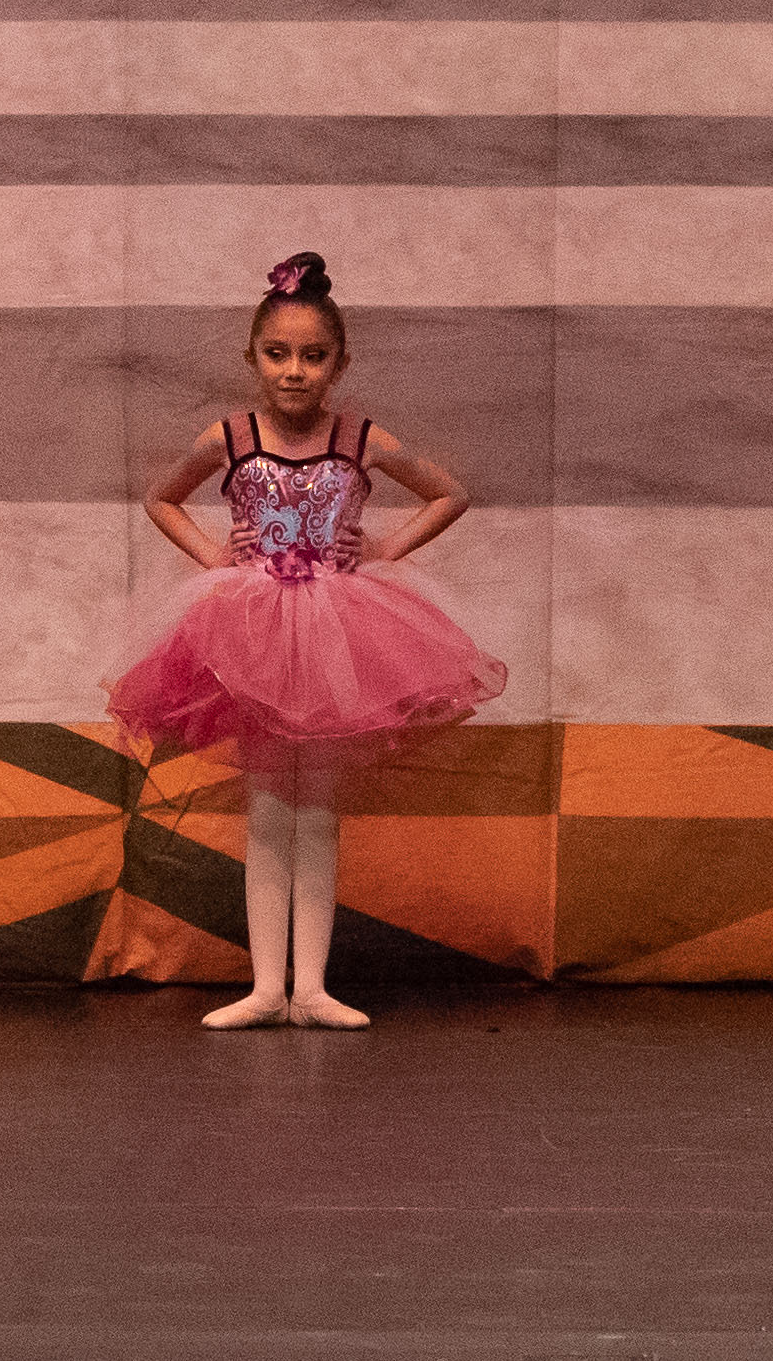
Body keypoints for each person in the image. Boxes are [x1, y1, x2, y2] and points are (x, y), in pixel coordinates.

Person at [113, 252, 503, 1028]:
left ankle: (313, 988)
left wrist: (386, 547)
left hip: (336, 632)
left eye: (314, 356)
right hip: (251, 628)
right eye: (278, 354)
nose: (294, 371)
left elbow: (449, 493)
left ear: (340, 363)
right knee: (267, 806)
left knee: (317, 807)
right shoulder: (231, 436)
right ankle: (266, 988)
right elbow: (160, 497)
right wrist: (212, 555)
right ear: (252, 357)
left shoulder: (360, 439)